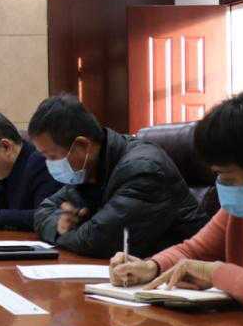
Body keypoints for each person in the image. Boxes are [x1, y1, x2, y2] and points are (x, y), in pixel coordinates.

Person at [110, 90, 243, 317]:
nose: (223, 187)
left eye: (229, 178)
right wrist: (152, 267)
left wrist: (217, 274)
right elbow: (194, 252)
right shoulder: (242, 211)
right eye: (218, 176)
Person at [31, 94, 208, 259]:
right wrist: (59, 225)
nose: (50, 164)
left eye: (52, 156)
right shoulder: (87, 170)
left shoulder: (144, 170)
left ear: (83, 145)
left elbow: (95, 241)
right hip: (133, 269)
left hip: (185, 272)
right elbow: (43, 211)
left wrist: (64, 233)